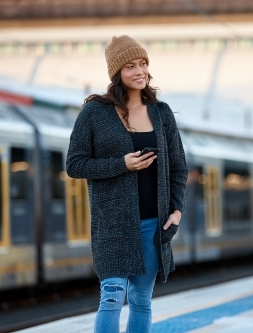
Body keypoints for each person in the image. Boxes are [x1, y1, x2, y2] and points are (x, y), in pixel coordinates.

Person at [66, 35, 188, 333]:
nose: (139, 71)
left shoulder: (161, 113)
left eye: (143, 63)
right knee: (112, 295)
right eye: (130, 65)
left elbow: (178, 168)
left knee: (141, 299)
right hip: (113, 223)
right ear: (117, 73)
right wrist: (122, 164)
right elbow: (74, 164)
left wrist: (177, 210)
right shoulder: (95, 112)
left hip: (153, 222)